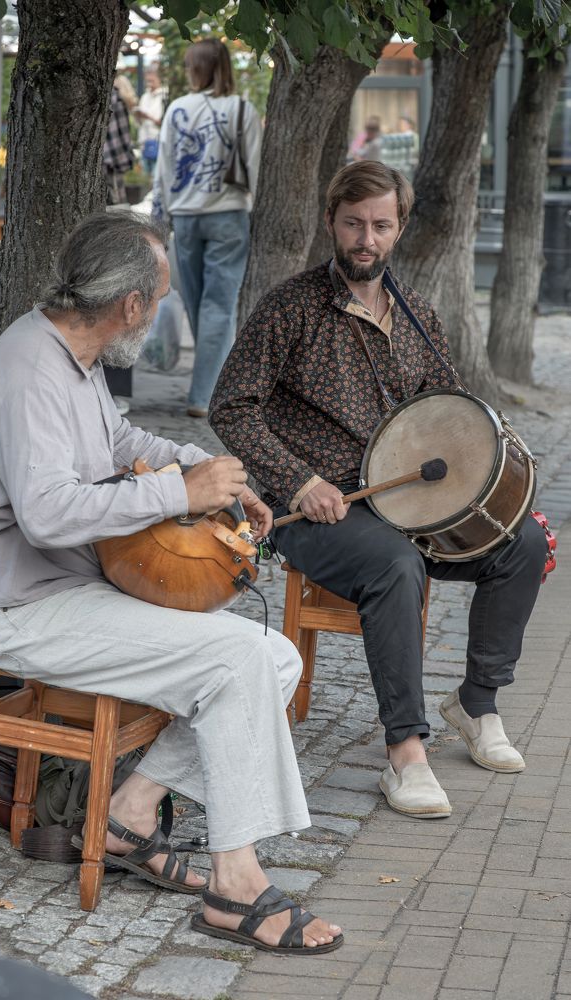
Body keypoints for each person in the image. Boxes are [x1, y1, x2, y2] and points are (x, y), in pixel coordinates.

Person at [0, 210, 342, 955]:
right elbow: (48, 512)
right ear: (129, 305)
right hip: (18, 609)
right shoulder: (31, 370)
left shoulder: (74, 357)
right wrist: (178, 494)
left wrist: (205, 473)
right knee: (242, 660)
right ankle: (237, 885)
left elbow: (120, 443)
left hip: (67, 594)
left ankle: (127, 812)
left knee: (274, 654)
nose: (156, 313)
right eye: (156, 299)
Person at [209, 161, 548, 820]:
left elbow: (448, 415)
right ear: (331, 222)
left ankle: (477, 702)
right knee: (395, 567)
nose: (367, 238)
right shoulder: (293, 306)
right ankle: (406, 752)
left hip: (408, 504)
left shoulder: (417, 314)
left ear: (399, 227)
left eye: (381, 225)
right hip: (319, 507)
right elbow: (231, 407)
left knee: (524, 543)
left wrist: (491, 478)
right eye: (354, 224)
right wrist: (298, 481)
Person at [152, 38, 262, 418]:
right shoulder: (241, 108)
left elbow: (163, 167)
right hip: (228, 215)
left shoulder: (178, 108)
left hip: (184, 217)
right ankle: (204, 396)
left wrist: (159, 215)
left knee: (200, 306)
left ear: (195, 69)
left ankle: (207, 388)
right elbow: (254, 165)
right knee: (217, 308)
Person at [103, 76, 135, 206]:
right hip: (113, 162)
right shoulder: (117, 99)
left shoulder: (107, 97)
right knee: (117, 206)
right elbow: (123, 137)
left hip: (104, 160)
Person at [134, 66, 164, 177]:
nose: (149, 83)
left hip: (158, 142)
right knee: (144, 179)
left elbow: (163, 122)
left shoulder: (164, 97)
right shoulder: (145, 97)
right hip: (144, 142)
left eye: (152, 80)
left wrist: (148, 117)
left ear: (159, 80)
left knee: (156, 178)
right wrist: (138, 116)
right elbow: (139, 123)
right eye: (147, 81)